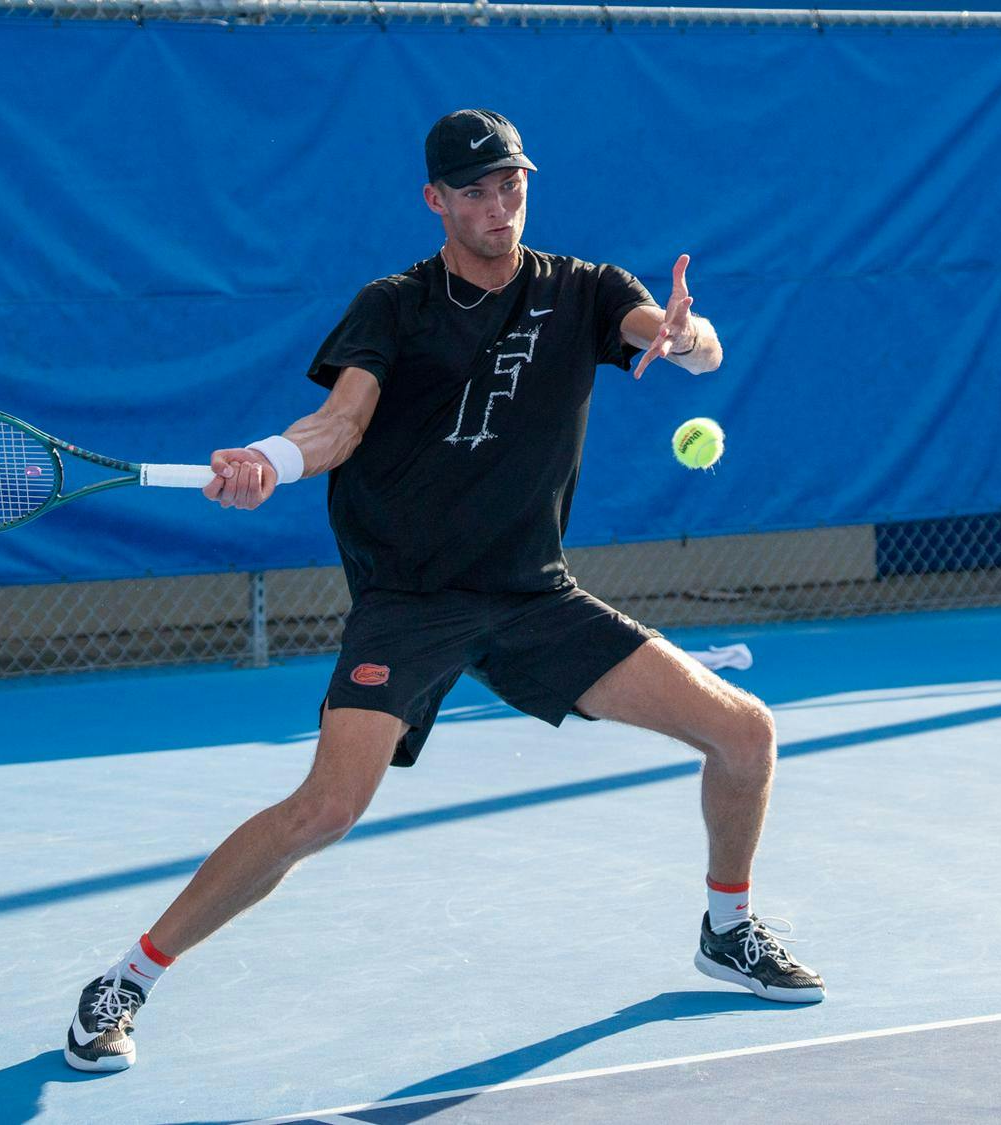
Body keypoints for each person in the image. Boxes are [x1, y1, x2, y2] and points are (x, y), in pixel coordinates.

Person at [64, 108, 824, 1073]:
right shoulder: (393, 306)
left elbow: (683, 339)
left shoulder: (586, 290)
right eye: (475, 189)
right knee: (325, 809)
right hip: (412, 597)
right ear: (436, 201)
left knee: (746, 731)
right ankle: (126, 978)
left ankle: (728, 928)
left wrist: (685, 339)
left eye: (511, 183)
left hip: (533, 592)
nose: (499, 204)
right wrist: (265, 458)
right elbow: (338, 426)